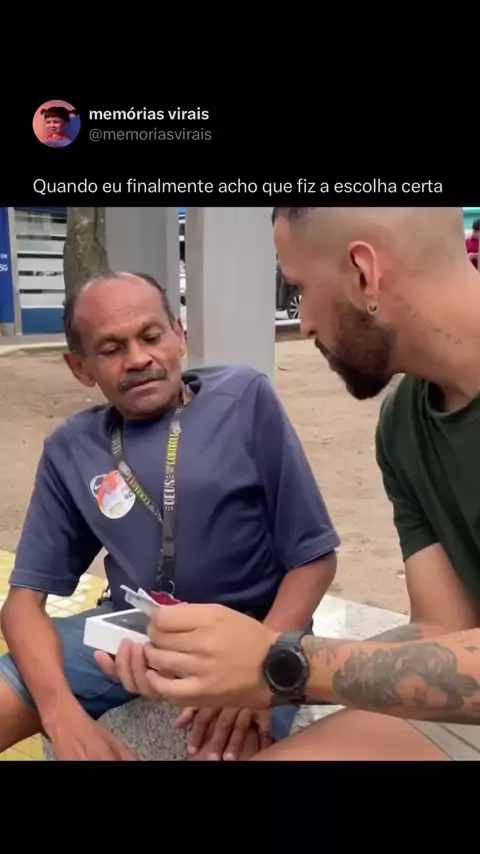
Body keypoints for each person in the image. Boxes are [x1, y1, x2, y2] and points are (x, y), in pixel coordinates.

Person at [106, 208, 480, 761]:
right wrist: (244, 664)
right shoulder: (404, 424)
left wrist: (283, 663)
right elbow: (441, 629)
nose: (303, 323)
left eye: (300, 288)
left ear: (363, 273)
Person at [0, 271, 339, 761]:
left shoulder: (243, 399)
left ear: (180, 336)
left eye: (151, 336)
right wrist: (60, 714)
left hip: (252, 631)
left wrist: (261, 664)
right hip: (134, 631)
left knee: (228, 748)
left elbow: (315, 558)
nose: (138, 358)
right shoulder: (72, 449)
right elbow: (22, 606)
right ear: (80, 367)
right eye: (112, 349)